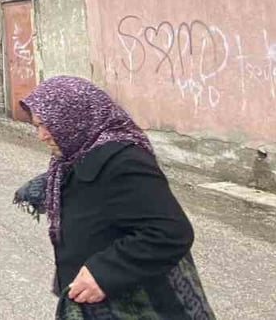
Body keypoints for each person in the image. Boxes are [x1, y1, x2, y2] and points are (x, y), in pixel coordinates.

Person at [15, 75, 215, 319]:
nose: (42, 136)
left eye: (48, 125)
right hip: (96, 301)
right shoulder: (75, 154)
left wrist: (103, 273)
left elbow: (170, 232)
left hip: (136, 304)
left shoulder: (123, 161)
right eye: (37, 126)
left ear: (74, 118)